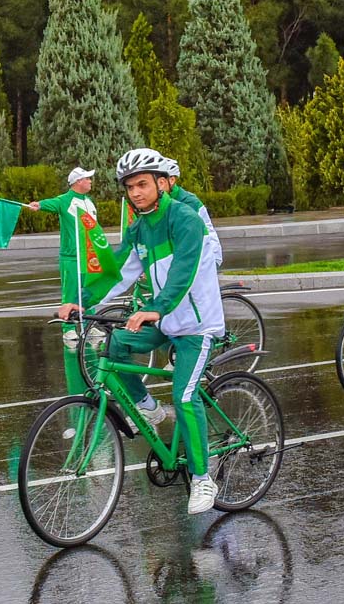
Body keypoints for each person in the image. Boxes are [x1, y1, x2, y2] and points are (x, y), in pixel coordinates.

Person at [55, 148, 226, 516]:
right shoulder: (139, 227)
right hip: (163, 320)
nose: (135, 192)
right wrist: (81, 302)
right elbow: (119, 273)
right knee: (114, 346)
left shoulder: (185, 219)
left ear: (161, 184)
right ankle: (148, 408)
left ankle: (202, 478)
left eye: (142, 184)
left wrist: (155, 308)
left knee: (184, 397)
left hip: (197, 325)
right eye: (129, 186)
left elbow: (184, 271)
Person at [27, 166, 98, 343]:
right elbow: (51, 204)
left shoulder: (89, 202)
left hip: (89, 257)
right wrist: (39, 205)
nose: (90, 181)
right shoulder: (65, 200)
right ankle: (68, 328)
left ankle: (91, 324)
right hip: (71, 257)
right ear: (78, 182)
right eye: (87, 179)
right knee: (70, 293)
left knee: (89, 291)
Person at [159, 157, 222, 267]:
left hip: (206, 255)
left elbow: (185, 237)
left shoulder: (188, 202)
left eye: (160, 182)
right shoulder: (162, 201)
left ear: (172, 180)